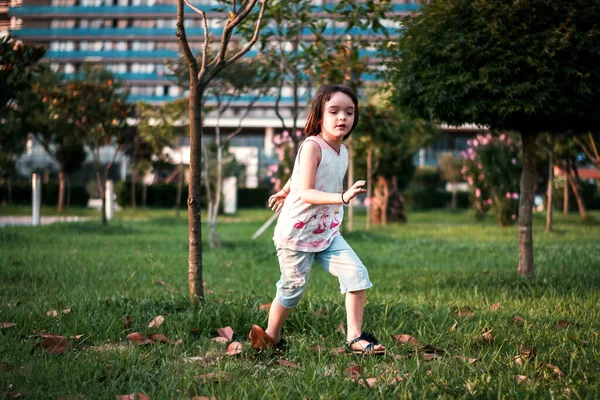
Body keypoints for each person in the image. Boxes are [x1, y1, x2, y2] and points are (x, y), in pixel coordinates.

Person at [249, 84, 385, 355]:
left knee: (357, 275)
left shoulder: (342, 151)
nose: (342, 118)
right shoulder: (312, 146)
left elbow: (298, 176)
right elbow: (308, 191)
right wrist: (343, 198)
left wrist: (286, 189)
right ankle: (270, 339)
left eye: (349, 112)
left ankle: (355, 338)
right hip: (296, 235)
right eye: (334, 111)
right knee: (292, 288)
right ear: (320, 116)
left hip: (327, 233)